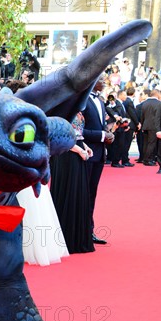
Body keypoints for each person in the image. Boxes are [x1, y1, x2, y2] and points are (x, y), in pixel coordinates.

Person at [50, 111, 95, 254]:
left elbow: (77, 133)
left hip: (77, 152)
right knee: (68, 192)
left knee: (78, 192)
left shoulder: (77, 109)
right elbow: (58, 136)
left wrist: (84, 145)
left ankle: (76, 238)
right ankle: (66, 239)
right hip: (66, 156)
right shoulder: (64, 109)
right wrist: (78, 149)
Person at [82, 75, 115, 245]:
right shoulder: (83, 101)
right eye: (102, 80)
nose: (104, 83)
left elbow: (101, 126)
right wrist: (102, 135)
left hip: (100, 154)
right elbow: (78, 131)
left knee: (92, 194)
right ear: (93, 81)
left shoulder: (101, 102)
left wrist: (108, 134)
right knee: (84, 193)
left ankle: (89, 230)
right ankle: (80, 231)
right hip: (86, 154)